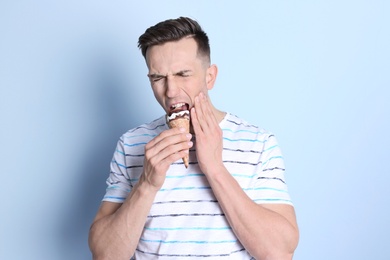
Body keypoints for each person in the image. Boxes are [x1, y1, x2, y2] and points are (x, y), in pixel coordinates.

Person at [88, 17, 299, 259]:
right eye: (158, 78)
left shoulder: (259, 144)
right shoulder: (131, 145)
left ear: (210, 77)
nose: (170, 91)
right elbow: (105, 254)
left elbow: (279, 252)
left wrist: (215, 169)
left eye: (182, 74)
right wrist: (146, 184)